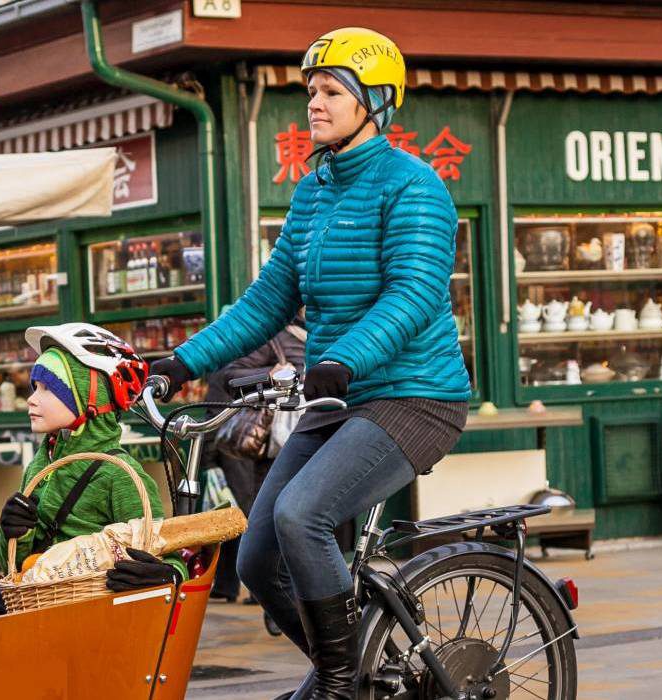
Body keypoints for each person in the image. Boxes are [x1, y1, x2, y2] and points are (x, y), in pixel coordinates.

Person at [146, 28, 469, 700]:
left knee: (302, 517)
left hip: (414, 398)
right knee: (261, 558)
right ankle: (355, 672)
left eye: (330, 91)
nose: (313, 104)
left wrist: (343, 357)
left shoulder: (415, 187)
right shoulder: (313, 192)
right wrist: (181, 362)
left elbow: (412, 292)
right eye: (310, 91)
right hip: (337, 401)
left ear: (374, 103)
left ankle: (339, 683)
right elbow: (267, 301)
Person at [0, 324, 180, 623]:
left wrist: (166, 573)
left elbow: (168, 555)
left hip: (69, 606)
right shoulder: (43, 461)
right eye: (35, 387)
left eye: (49, 389)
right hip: (30, 590)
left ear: (90, 400)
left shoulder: (120, 473)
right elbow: (11, 566)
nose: (32, 399)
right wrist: (15, 533)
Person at [205, 323, 306, 603]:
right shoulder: (261, 346)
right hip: (251, 443)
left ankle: (242, 587)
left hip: (291, 438)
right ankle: (254, 591)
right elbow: (217, 401)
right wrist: (271, 376)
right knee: (249, 514)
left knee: (249, 514)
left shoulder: (316, 338)